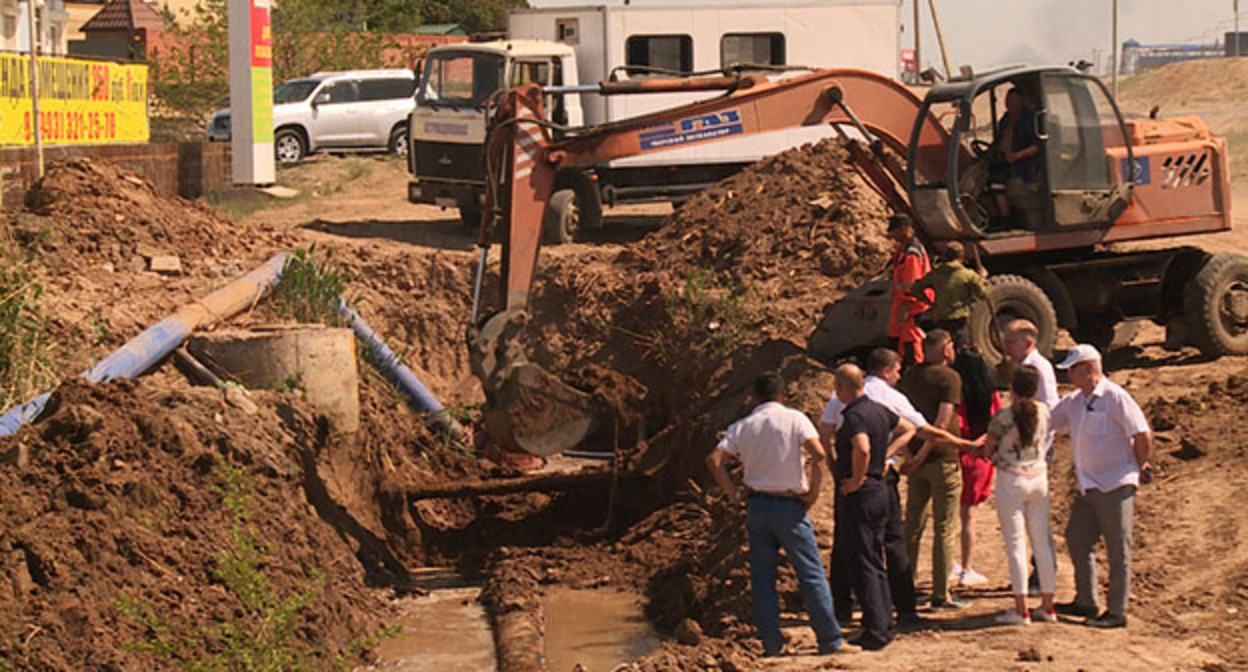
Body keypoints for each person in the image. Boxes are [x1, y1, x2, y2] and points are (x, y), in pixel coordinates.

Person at [820, 349, 980, 626]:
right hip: (879, 477)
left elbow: (824, 433)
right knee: (893, 541)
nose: (898, 376)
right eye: (896, 371)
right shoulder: (890, 399)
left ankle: (843, 606)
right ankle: (904, 606)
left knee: (846, 543)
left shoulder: (841, 397)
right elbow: (923, 430)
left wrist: (835, 469)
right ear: (886, 370)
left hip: (848, 476)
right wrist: (965, 445)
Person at [705, 372, 857, 656]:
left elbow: (714, 461)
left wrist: (734, 494)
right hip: (790, 506)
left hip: (757, 507)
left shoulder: (743, 426)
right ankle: (829, 640)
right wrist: (812, 493)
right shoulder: (795, 419)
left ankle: (772, 645)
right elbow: (819, 454)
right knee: (810, 573)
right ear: (783, 395)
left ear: (754, 397)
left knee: (763, 579)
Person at [1051, 345, 1152, 629]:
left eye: (1072, 369)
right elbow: (1047, 421)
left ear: (1088, 369)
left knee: (1119, 548)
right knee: (1077, 538)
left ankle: (1117, 611)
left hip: (1115, 483)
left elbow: (1141, 433)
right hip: (1088, 484)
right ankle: (1087, 600)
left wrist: (1138, 465)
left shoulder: (1115, 397)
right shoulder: (1074, 401)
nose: (1069, 375)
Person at [828, 363, 917, 650]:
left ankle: (875, 629)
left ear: (842, 388)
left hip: (862, 494)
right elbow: (908, 429)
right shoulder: (878, 409)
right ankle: (884, 621)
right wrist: (887, 456)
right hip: (880, 489)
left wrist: (856, 478)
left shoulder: (853, 416)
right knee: (876, 558)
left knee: (863, 560)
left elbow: (862, 447)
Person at [897, 330, 970, 610]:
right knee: (944, 527)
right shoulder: (949, 378)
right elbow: (941, 423)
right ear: (944, 349)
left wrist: (911, 456)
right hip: (942, 459)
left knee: (913, 525)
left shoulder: (911, 376)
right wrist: (925, 451)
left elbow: (901, 418)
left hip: (916, 460)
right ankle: (941, 593)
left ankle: (906, 585)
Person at [982, 366, 1057, 625]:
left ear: (1012, 387)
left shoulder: (1003, 417)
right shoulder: (1044, 412)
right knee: (1041, 542)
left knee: (1016, 544)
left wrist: (989, 454)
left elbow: (987, 448)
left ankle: (1021, 607)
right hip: (1038, 477)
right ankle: (1048, 605)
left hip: (1011, 479)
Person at [1001, 318, 1059, 594]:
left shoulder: (1039, 368)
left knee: (1035, 516)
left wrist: (1039, 450)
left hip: (1035, 452)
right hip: (1026, 450)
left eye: (1011, 343)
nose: (1006, 348)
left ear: (1028, 342)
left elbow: (1048, 410)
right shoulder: (1022, 367)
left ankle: (1042, 574)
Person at [909, 241, 988, 349]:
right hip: (959, 321)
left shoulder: (936, 274)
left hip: (940, 320)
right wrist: (982, 278)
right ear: (961, 256)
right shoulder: (968, 275)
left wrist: (929, 302)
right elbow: (983, 294)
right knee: (961, 351)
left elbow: (915, 289)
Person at [988, 88, 1042, 221]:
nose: (1008, 104)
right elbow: (999, 140)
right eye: (1007, 101)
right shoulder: (1006, 119)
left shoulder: (1029, 119)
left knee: (996, 181)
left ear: (1021, 101)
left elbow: (1037, 146)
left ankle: (1006, 219)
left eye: (1012, 100)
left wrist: (1017, 155)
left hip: (1024, 163)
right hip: (1004, 160)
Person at [886, 214, 931, 367]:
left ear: (905, 229)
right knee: (901, 339)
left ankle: (915, 370)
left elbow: (912, 283)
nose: (893, 237)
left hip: (912, 304)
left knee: (911, 340)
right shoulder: (904, 249)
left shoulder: (911, 253)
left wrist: (907, 305)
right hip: (903, 303)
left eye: (895, 232)